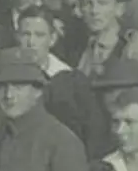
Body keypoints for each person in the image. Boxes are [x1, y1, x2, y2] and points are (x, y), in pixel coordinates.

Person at [12, 12, 100, 147]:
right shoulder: (7, 78)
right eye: (25, 34)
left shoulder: (72, 81)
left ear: (52, 39)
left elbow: (90, 132)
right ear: (17, 37)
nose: (31, 42)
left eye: (39, 35)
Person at [74, 0, 138, 81]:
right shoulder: (82, 46)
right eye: (88, 3)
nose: (94, 11)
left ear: (119, 9)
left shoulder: (130, 45)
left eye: (102, 3)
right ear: (81, 9)